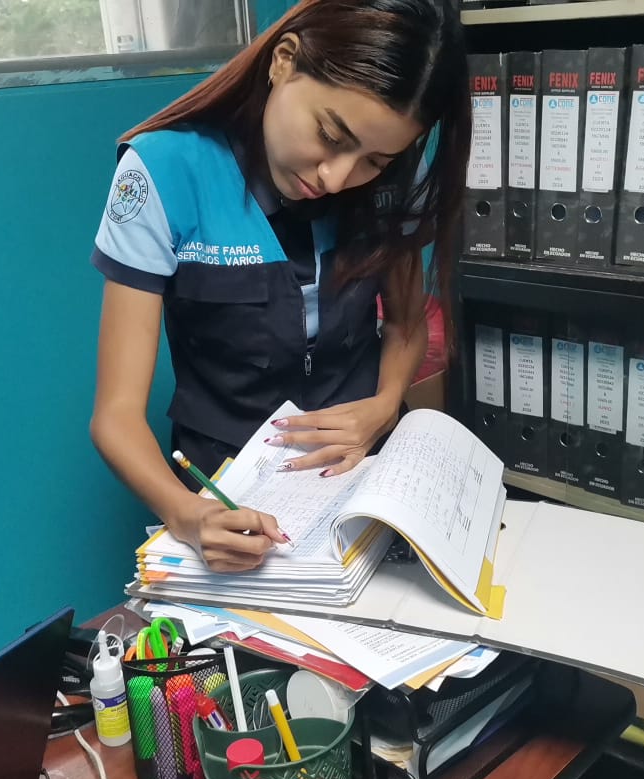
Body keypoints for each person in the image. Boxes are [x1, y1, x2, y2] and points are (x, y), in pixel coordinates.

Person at [88, 0, 471, 573]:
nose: (336, 178)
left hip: (363, 480)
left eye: (374, 160)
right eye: (330, 134)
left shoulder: (390, 179)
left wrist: (384, 405)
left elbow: (406, 324)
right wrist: (187, 514)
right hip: (226, 485)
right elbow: (115, 417)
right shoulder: (164, 172)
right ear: (284, 60)